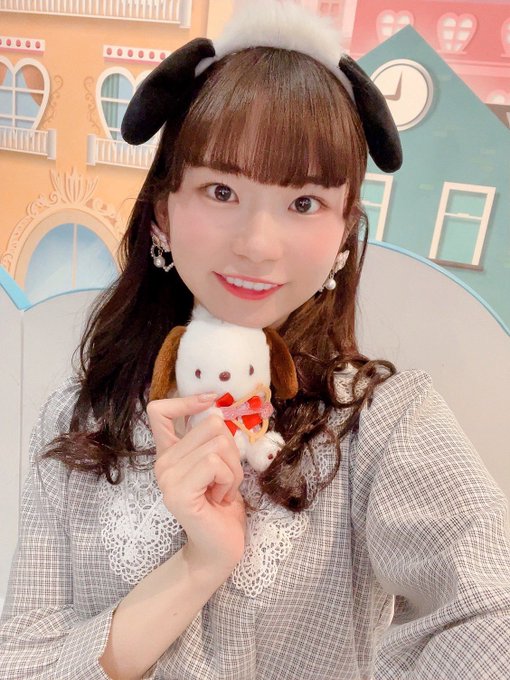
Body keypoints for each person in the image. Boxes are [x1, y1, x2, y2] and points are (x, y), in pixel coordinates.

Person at [1, 2, 509, 679]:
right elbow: (22, 659)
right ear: (162, 211)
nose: (257, 245)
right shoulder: (82, 419)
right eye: (220, 190)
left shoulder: (380, 425)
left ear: (343, 231)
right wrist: (197, 566)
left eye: (303, 203)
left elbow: (490, 607)